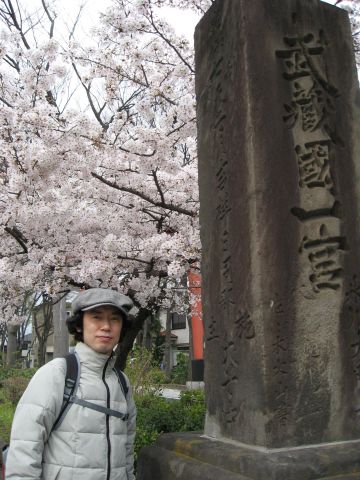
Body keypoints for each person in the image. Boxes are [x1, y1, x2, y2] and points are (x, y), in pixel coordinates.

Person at [6, 288, 136, 480]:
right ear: (79, 326)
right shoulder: (57, 374)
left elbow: (127, 453)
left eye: (115, 319)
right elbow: (25, 448)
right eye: (96, 317)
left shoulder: (122, 383)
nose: (106, 326)